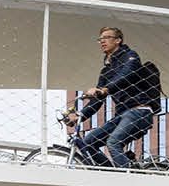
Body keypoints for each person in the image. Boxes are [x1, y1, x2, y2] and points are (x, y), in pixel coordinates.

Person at [67, 26, 158, 169]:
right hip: (121, 115)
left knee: (113, 142)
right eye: (100, 39)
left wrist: (105, 89)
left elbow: (126, 74)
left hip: (139, 111)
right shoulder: (106, 71)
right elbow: (97, 100)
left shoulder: (130, 56)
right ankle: (110, 171)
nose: (102, 41)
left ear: (118, 40)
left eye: (107, 38)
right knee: (88, 142)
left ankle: (128, 176)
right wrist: (80, 115)